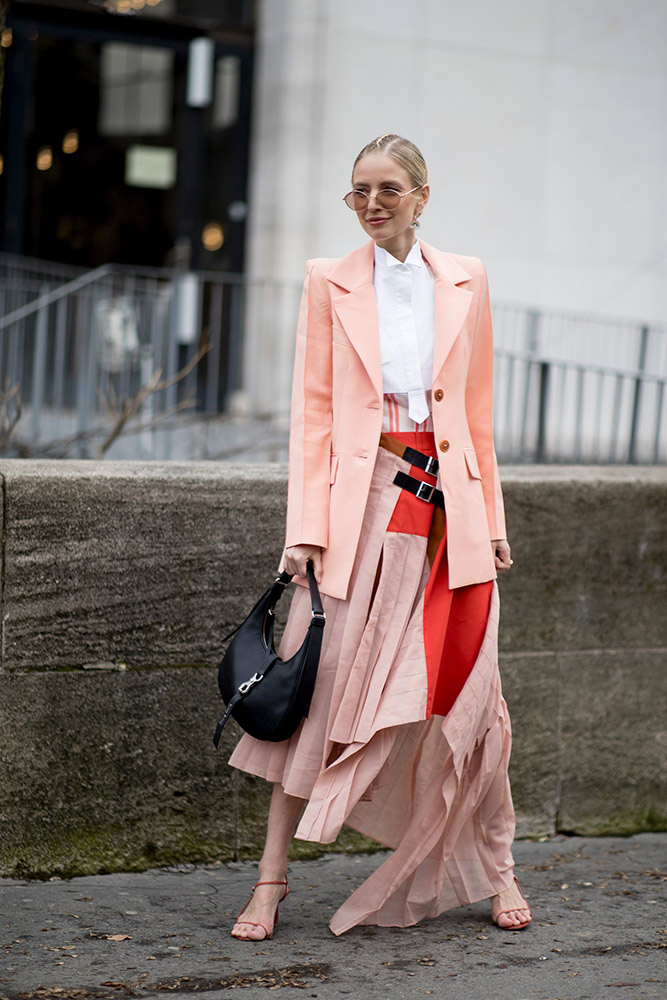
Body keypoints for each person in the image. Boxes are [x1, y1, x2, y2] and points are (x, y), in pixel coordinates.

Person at [228, 134, 531, 940]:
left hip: (450, 522)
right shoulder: (327, 282)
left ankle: (498, 869)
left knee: (473, 701)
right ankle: (270, 883)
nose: (371, 204)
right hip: (363, 510)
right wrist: (305, 532)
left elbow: (476, 418)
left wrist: (491, 520)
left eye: (388, 189)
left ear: (421, 195)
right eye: (358, 191)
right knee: (316, 694)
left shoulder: (466, 280)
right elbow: (313, 417)